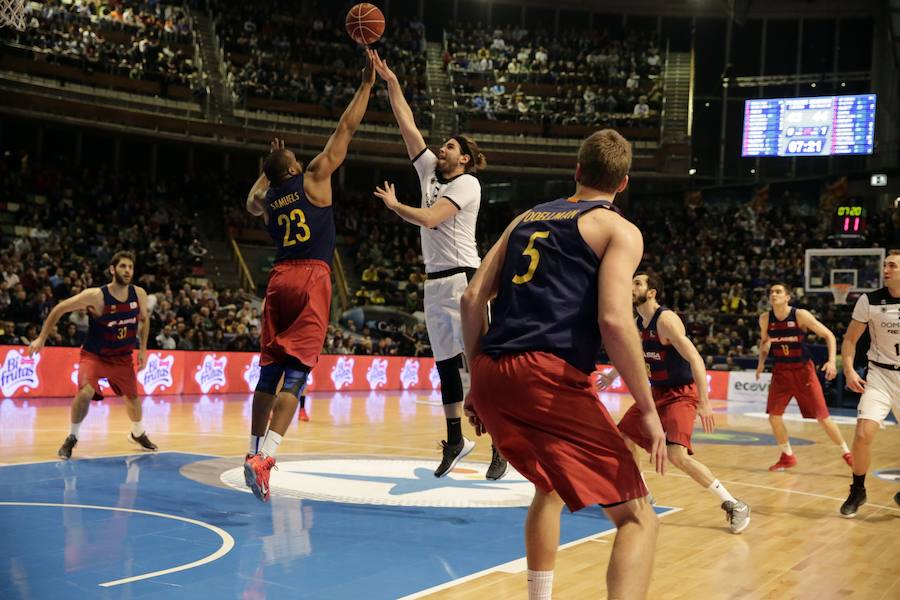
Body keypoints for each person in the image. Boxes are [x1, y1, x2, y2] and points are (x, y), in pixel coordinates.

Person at [461, 129, 666, 600]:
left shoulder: (525, 218)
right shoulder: (618, 230)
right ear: (624, 182)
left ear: (576, 171)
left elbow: (472, 298)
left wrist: (477, 382)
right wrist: (648, 409)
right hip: (546, 376)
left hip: (492, 368)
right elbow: (614, 320)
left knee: (547, 486)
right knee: (637, 517)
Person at [368, 48, 508, 480]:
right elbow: (407, 125)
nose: (440, 148)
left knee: (479, 364)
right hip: (434, 282)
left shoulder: (469, 183)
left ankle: (501, 445)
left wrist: (395, 206)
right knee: (445, 364)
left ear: (464, 158)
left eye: (449, 146)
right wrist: (390, 82)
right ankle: (455, 439)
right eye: (442, 145)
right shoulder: (430, 170)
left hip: (466, 282)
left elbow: (430, 218)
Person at [242, 55, 375, 502]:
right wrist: (366, 87)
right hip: (312, 278)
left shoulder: (270, 198)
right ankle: (268, 459)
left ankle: (251, 449)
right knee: (296, 376)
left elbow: (251, 203)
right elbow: (345, 130)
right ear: (297, 168)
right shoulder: (315, 178)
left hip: (278, 278)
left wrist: (267, 170)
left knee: (269, 372)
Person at [599, 273, 750, 534]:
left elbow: (696, 359)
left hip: (680, 393)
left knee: (676, 455)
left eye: (638, 283)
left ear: (652, 292)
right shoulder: (638, 322)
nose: (632, 287)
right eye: (631, 282)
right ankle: (642, 493)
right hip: (656, 393)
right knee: (622, 437)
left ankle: (734, 504)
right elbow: (631, 353)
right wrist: (612, 374)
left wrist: (705, 402)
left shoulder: (666, 320)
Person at [27, 251, 157, 459]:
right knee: (85, 393)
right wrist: (41, 338)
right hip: (95, 356)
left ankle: (138, 433)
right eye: (123, 266)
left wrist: (143, 350)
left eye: (130, 267)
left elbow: (145, 319)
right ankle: (72, 437)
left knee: (133, 398)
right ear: (112, 270)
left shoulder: (139, 294)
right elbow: (59, 309)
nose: (127, 270)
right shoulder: (96, 296)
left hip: (123, 357)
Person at [755, 283, 852, 471]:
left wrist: (831, 361)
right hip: (781, 372)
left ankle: (846, 453)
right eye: (771, 292)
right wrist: (760, 363)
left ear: (787, 297)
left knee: (822, 417)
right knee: (774, 416)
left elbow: (829, 335)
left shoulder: (800, 315)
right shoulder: (765, 319)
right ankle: (787, 456)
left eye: (778, 292)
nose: (773, 294)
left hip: (803, 371)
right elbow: (765, 341)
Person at [839, 249, 900, 517]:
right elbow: (850, 339)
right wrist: (850, 371)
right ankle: (858, 490)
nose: (886, 269)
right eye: (885, 264)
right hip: (880, 376)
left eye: (893, 266)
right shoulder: (870, 300)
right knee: (863, 434)